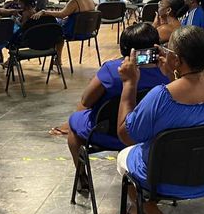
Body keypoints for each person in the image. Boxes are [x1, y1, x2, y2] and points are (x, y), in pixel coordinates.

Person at [116, 26, 204, 214]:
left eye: (168, 50)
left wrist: (129, 83)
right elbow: (195, 109)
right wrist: (173, 76)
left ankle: (150, 210)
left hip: (164, 181)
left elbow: (126, 135)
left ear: (178, 60)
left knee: (124, 156)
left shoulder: (160, 96)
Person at [65, 23, 169, 191]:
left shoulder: (112, 70)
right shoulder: (168, 72)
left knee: (73, 122)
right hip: (151, 135)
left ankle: (81, 175)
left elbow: (87, 100)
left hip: (110, 134)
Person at [31, 0, 95, 66]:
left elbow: (61, 14)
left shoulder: (74, 2)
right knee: (59, 27)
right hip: (88, 31)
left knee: (56, 30)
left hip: (73, 32)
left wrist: (44, 12)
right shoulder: (90, 0)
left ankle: (57, 57)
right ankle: (57, 58)